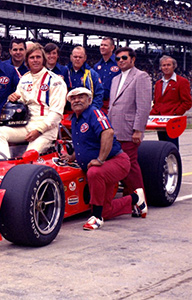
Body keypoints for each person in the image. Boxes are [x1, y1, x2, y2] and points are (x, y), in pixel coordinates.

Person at [63, 87, 147, 230]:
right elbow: (83, 145)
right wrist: (71, 157)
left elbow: (108, 133)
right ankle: (136, 198)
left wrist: (100, 159)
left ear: (89, 100)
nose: (77, 100)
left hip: (116, 161)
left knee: (94, 172)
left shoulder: (94, 113)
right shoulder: (75, 120)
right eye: (73, 98)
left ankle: (96, 217)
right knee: (106, 211)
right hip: (104, 167)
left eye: (81, 97)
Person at [0, 43, 67, 158]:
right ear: (27, 61)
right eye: (32, 57)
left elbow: (56, 114)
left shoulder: (56, 81)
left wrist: (39, 131)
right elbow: (18, 103)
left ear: (43, 59)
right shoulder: (24, 79)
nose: (35, 60)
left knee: (28, 156)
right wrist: (11, 99)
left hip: (46, 130)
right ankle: (3, 166)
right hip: (26, 125)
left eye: (38, 57)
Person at [108, 47, 152, 197]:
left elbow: (144, 105)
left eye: (124, 58)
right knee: (120, 164)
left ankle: (139, 200)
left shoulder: (141, 76)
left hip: (129, 130)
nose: (121, 61)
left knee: (131, 165)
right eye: (118, 59)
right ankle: (129, 198)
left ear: (133, 59)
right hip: (114, 128)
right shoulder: (115, 79)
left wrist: (138, 130)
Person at [150, 55, 192, 149]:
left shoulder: (182, 82)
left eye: (168, 65)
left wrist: (175, 114)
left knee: (172, 147)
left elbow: (187, 102)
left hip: (172, 121)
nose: (166, 67)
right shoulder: (158, 83)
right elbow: (157, 102)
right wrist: (154, 114)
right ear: (160, 67)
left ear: (174, 66)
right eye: (163, 65)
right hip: (160, 121)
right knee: (162, 147)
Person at [67, 46, 103, 110]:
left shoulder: (92, 74)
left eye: (80, 57)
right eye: (75, 57)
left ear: (85, 58)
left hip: (86, 111)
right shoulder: (64, 72)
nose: (77, 59)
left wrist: (92, 109)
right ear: (71, 57)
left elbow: (99, 94)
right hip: (67, 111)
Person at [93, 37, 121, 114]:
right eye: (101, 45)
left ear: (112, 47)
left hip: (114, 103)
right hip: (99, 103)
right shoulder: (96, 66)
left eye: (105, 45)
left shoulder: (119, 63)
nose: (102, 47)